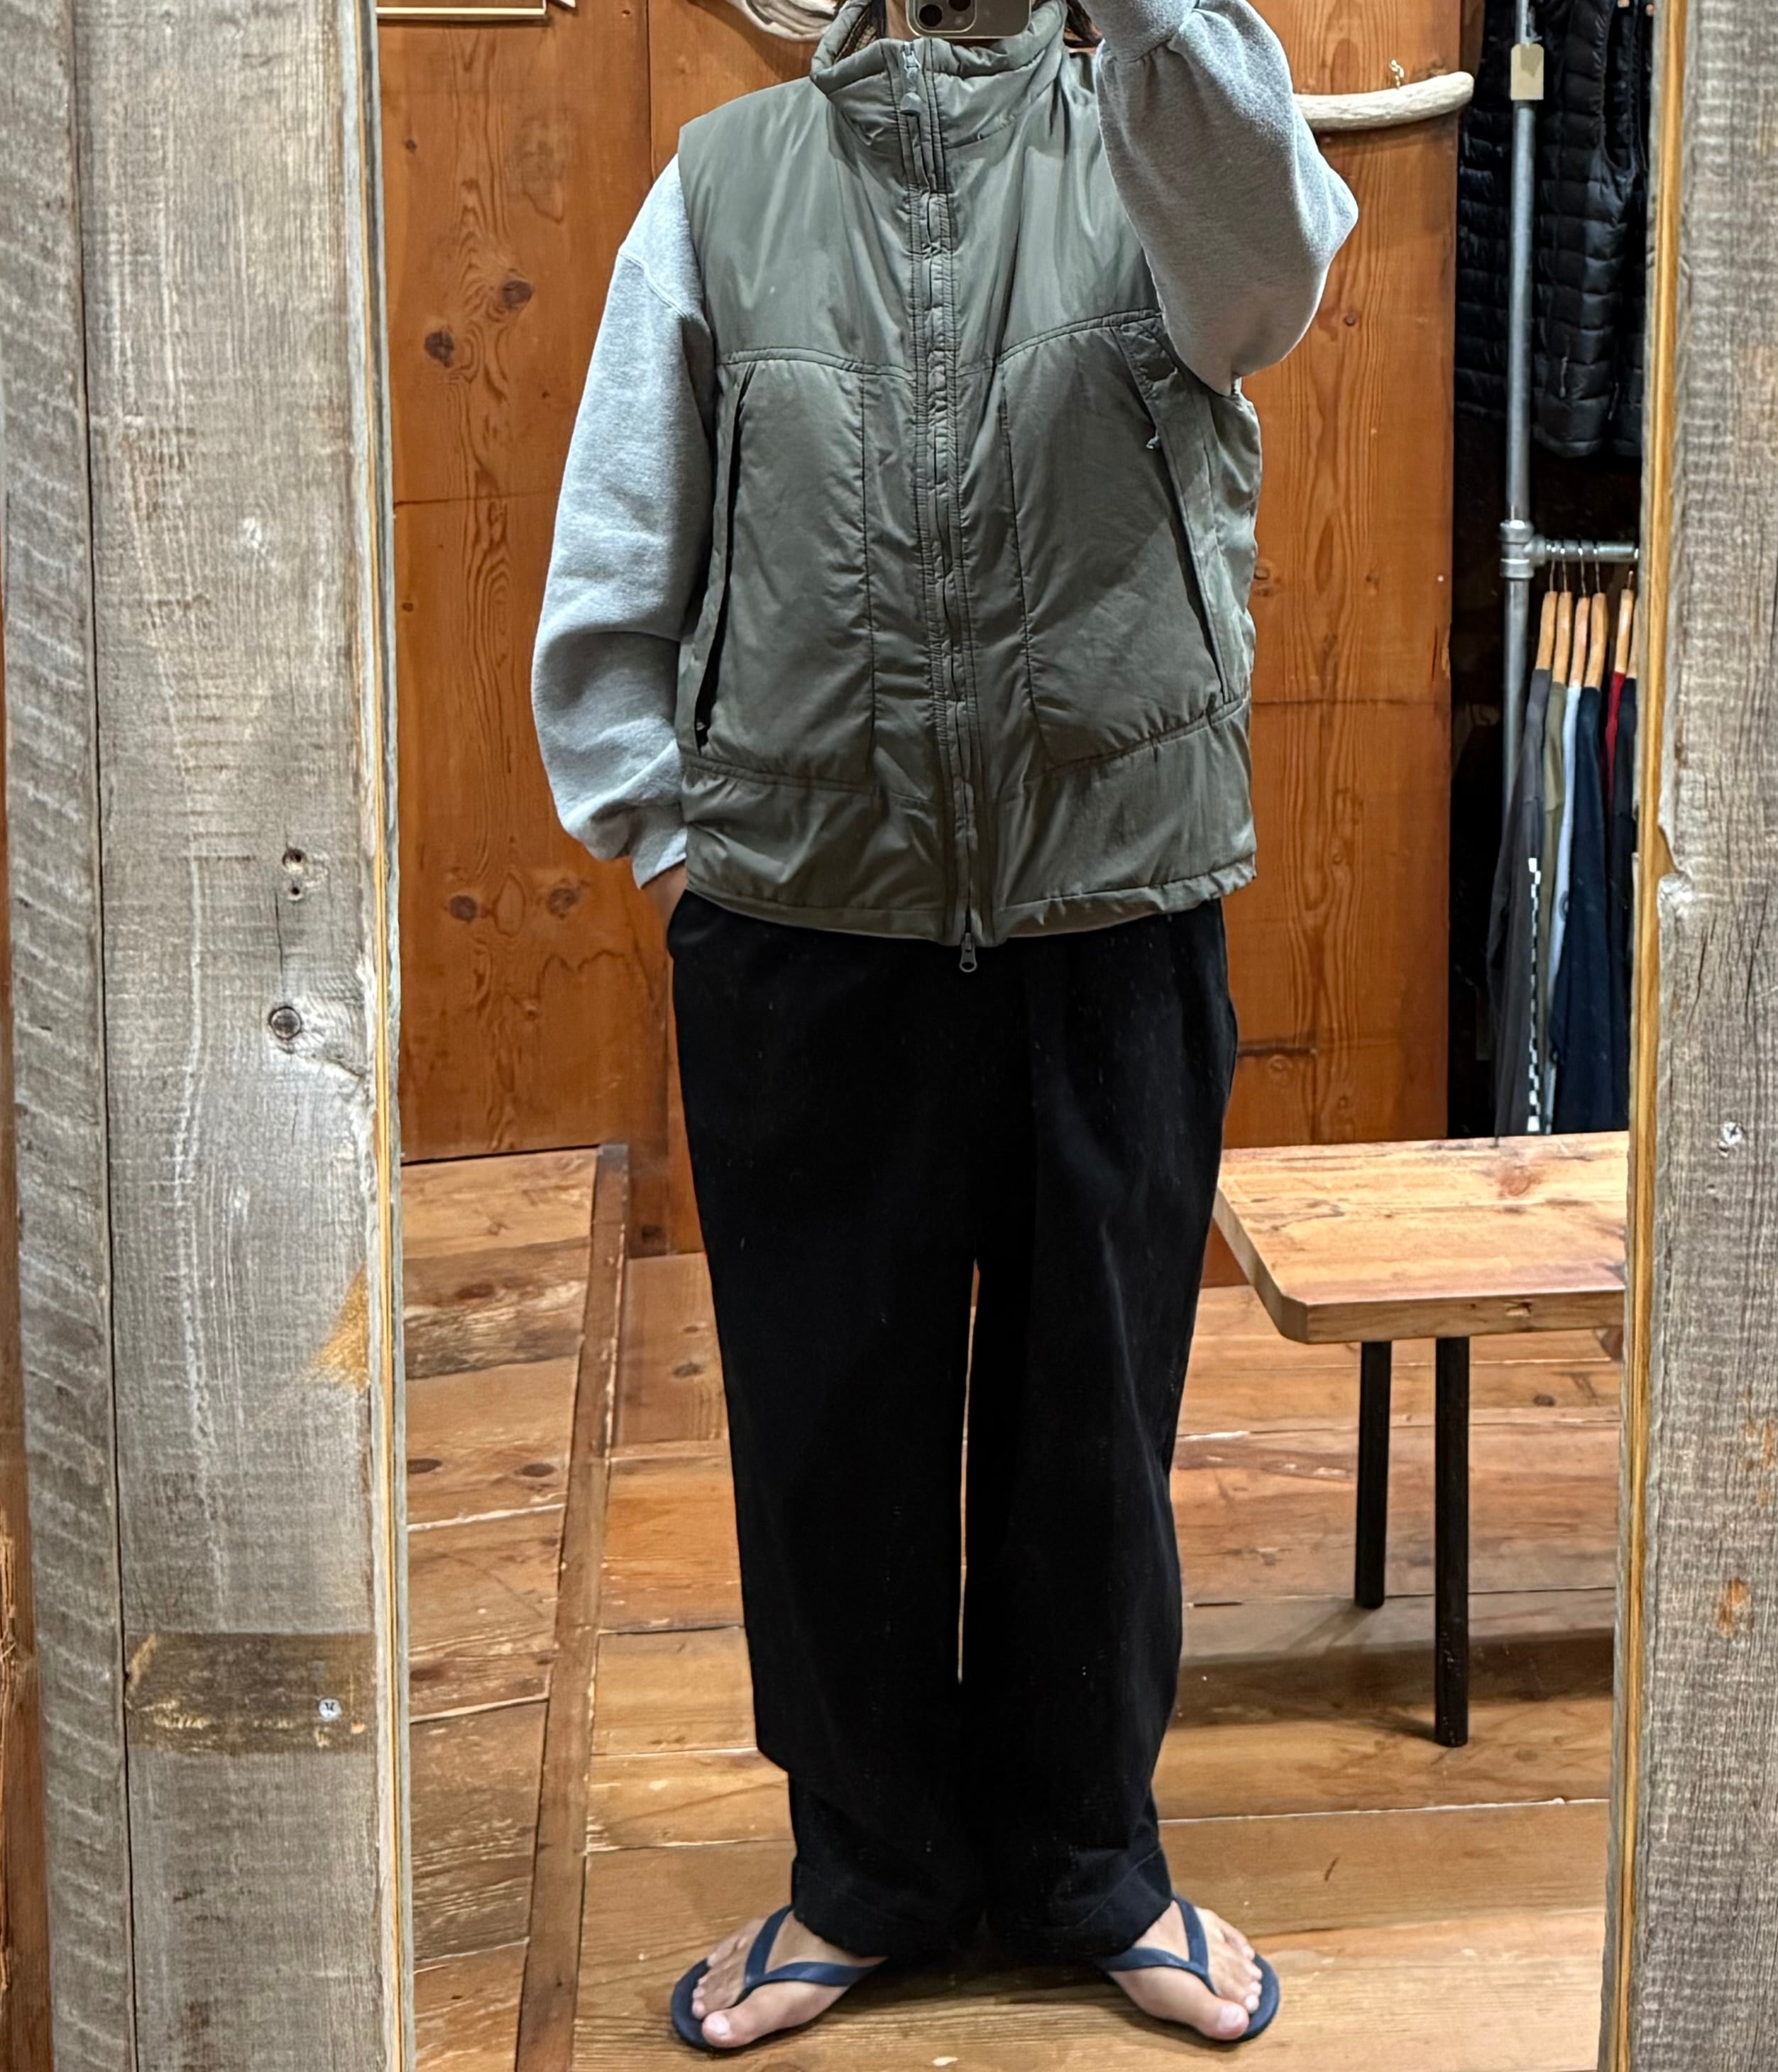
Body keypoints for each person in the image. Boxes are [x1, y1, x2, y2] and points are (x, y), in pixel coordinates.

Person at [530, 0, 1355, 2047]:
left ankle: (1092, 1865)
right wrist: (674, 837)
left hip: (1115, 904)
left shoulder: (1163, 134)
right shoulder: (723, 185)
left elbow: (1268, 277)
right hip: (805, 914)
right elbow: (628, 521)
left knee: (1098, 1422)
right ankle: (869, 1871)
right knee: (827, 1427)